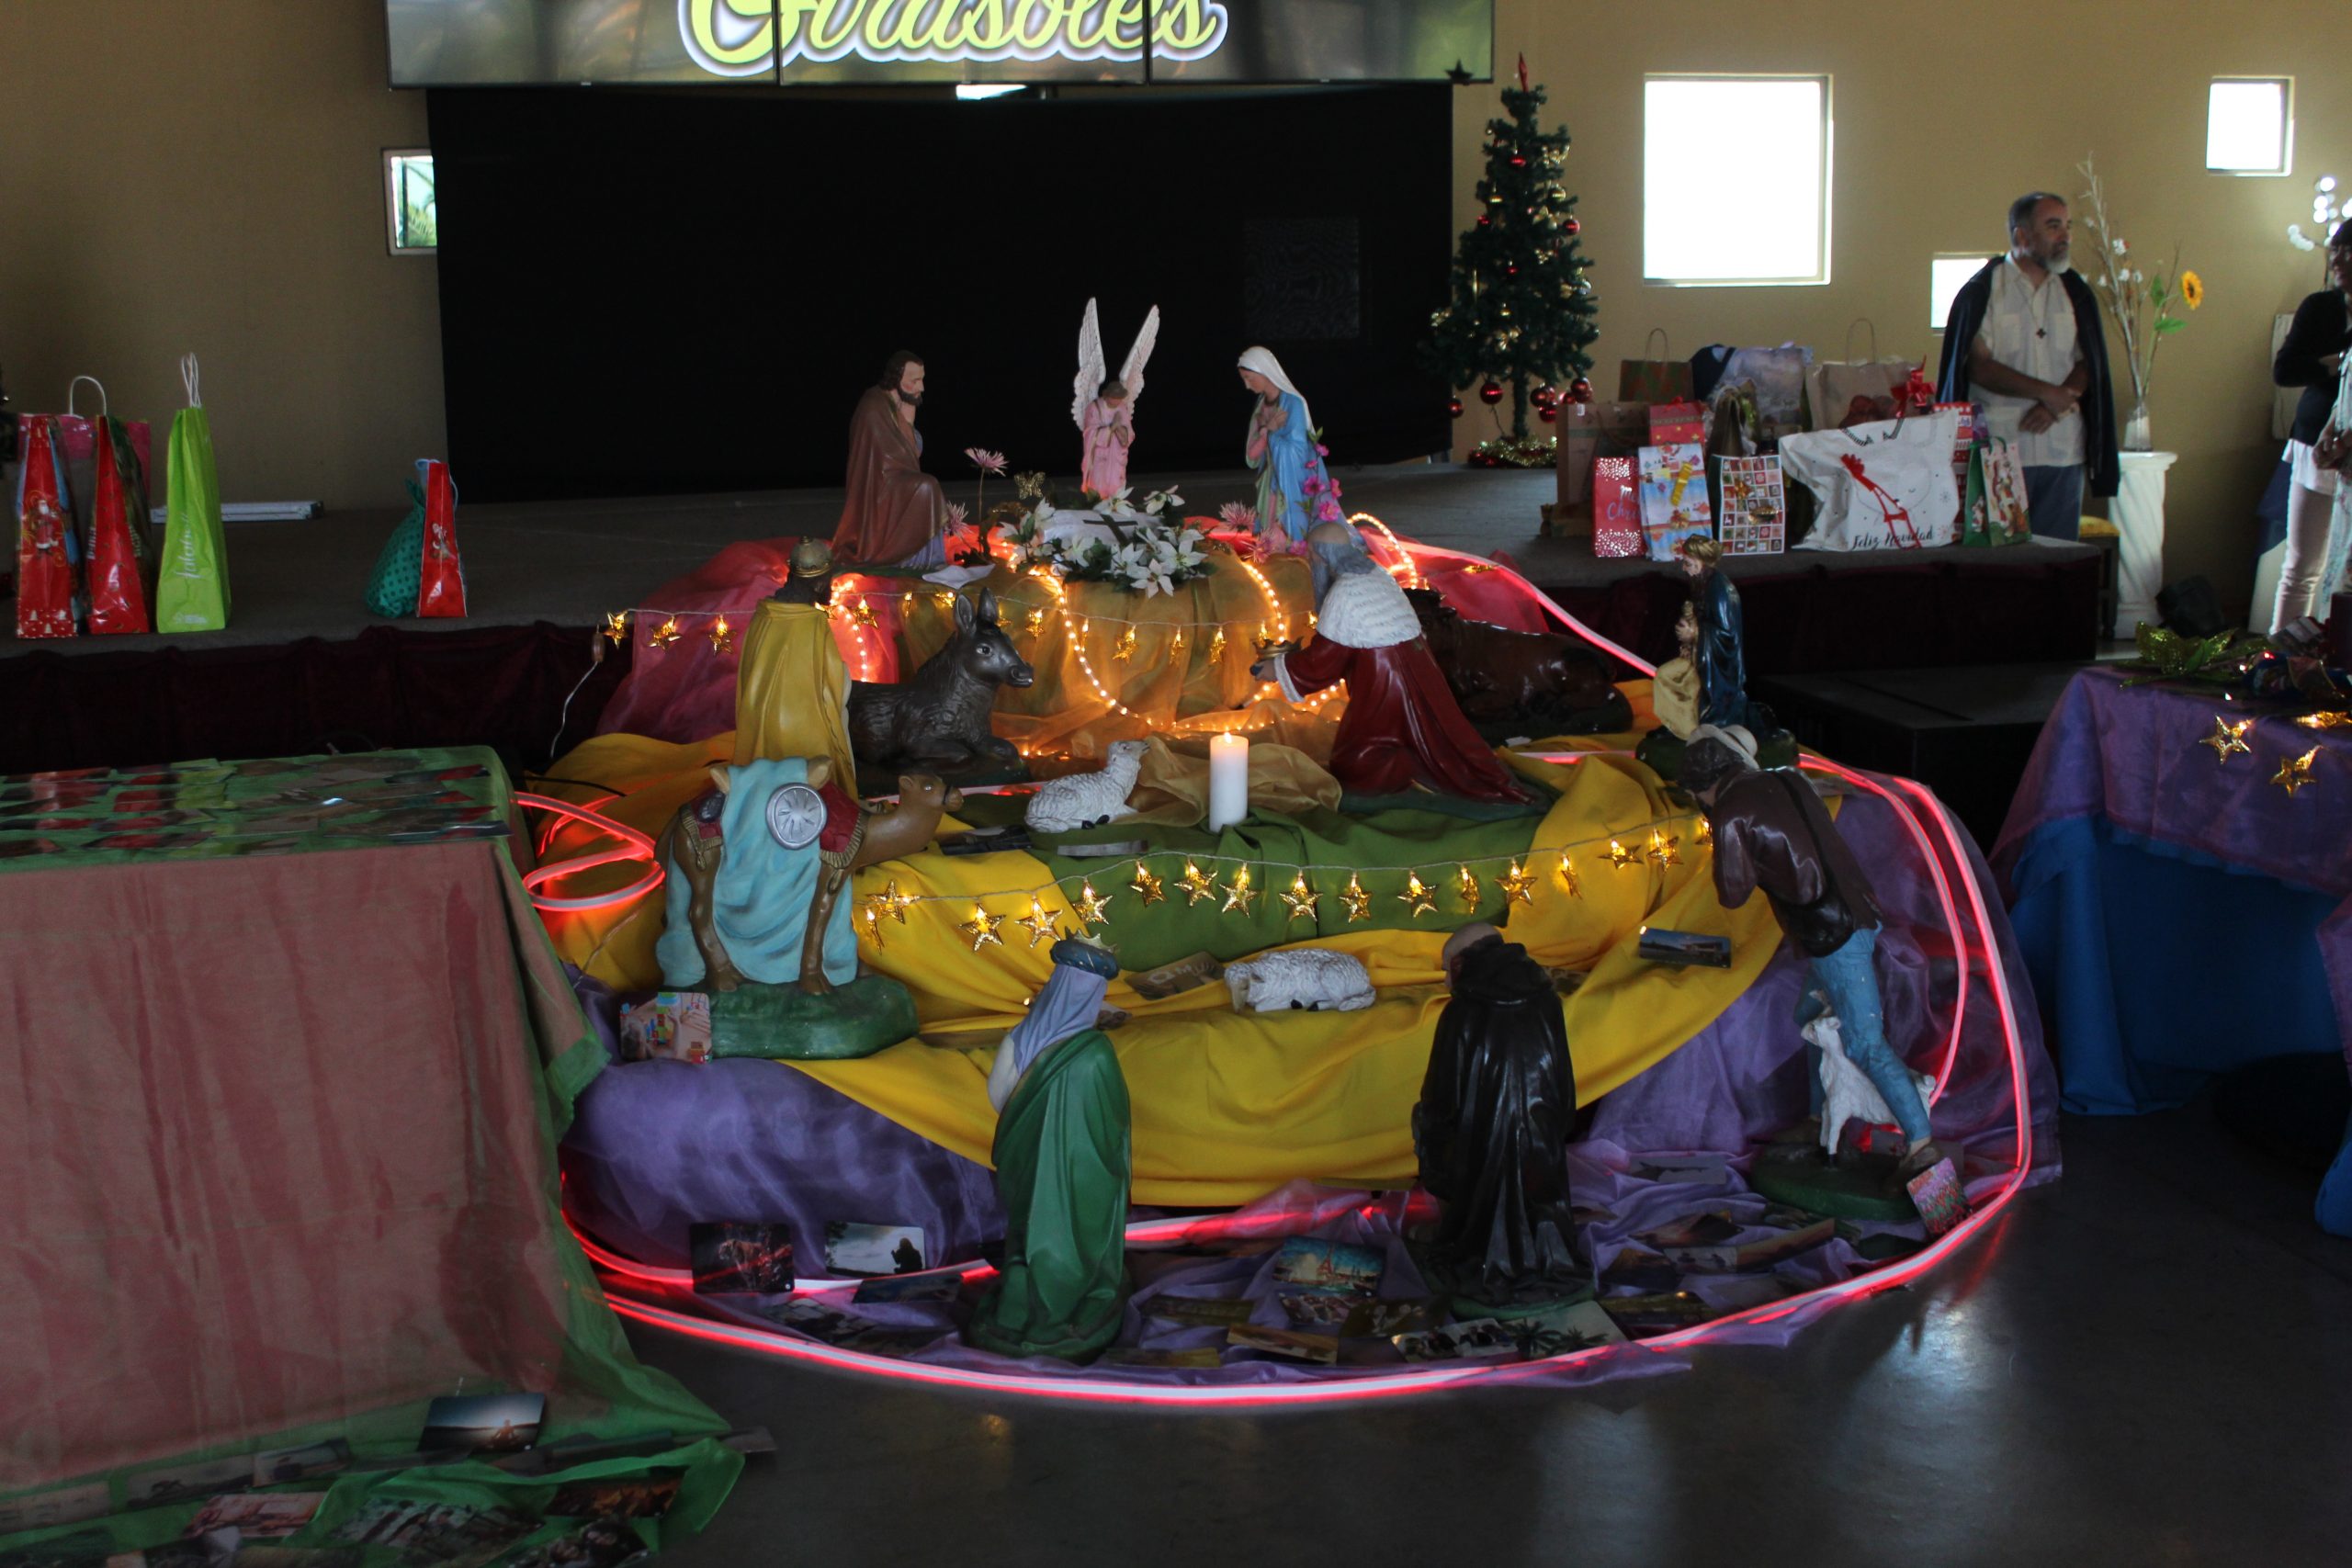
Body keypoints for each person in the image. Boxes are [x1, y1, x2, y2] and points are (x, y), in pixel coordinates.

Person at [1678, 728, 1954, 1185]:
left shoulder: (1730, 809)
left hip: (1834, 933)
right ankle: (1819, 1118)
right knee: (1809, 1015)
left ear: (1698, 786)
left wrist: (1722, 834)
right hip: (1856, 910)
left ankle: (1921, 1143)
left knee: (1865, 1042)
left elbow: (1732, 893)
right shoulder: (1787, 776)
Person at [1251, 522, 1525, 802]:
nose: (1310, 560)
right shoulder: (1377, 573)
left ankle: (1405, 773)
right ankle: (1415, 763)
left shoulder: (1344, 592)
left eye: (1311, 554)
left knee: (1359, 760)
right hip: (1416, 665)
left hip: (1385, 680)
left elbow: (1326, 658)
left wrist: (1278, 667)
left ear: (1322, 556)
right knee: (1425, 731)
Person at [967, 939, 1131, 1362]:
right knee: (1076, 1233)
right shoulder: (1096, 1054)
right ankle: (1068, 1301)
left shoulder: (1019, 1039)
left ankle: (1020, 1304)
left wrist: (1033, 1127)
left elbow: (999, 1099)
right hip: (1084, 1175)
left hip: (1023, 1158)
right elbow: (1114, 1126)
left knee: (1029, 1226)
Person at [1936, 191, 2120, 540]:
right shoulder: (1984, 290)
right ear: (2022, 236)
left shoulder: (2074, 291)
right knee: (2003, 562)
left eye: (2067, 226)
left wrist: (2056, 404)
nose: (2065, 236)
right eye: (2053, 226)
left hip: (2062, 448)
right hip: (2001, 449)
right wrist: (2048, 393)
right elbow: (1979, 367)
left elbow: (2089, 361)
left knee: (2057, 558)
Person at [1413, 923, 1582, 1293]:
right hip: (1540, 1141)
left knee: (1476, 1209)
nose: (1445, 981)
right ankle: (1543, 1256)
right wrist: (1554, 1129)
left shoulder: (1461, 1012)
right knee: (1539, 1201)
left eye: (1447, 969)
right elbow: (1562, 1082)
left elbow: (1442, 1099)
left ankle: (1473, 1252)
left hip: (1479, 1149)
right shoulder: (1547, 1001)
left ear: (1461, 964)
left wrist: (1432, 1139)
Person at [2270, 221, 2352, 631]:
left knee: (2343, 568)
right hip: (2316, 436)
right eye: (2334, 250)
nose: (2338, 260)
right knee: (2302, 564)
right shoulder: (2321, 307)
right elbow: (2284, 370)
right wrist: (2330, 366)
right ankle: (2281, 650)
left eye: (2348, 252)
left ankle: (2334, 651)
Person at [735, 538, 854, 787]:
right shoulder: (811, 623)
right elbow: (831, 686)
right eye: (829, 582)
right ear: (820, 583)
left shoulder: (764, 615)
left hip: (760, 730)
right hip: (804, 735)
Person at [830, 350, 947, 568]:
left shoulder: (899, 403)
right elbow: (883, 459)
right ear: (897, 378)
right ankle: (910, 560)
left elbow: (914, 452)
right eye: (915, 381)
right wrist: (907, 424)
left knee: (927, 485)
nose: (921, 387)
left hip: (895, 478)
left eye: (922, 379)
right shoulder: (873, 407)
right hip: (877, 486)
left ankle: (925, 560)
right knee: (926, 486)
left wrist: (909, 421)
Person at [1238, 346, 1343, 549]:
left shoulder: (1293, 403)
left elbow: (1297, 451)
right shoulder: (1261, 406)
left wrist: (1269, 435)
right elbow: (1251, 456)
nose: (1247, 385)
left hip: (1289, 482)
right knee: (1268, 535)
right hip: (1268, 480)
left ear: (1264, 371)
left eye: (1249, 378)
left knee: (1285, 534)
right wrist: (1268, 431)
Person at [1079, 379, 1136, 500]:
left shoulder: (1122, 407)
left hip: (1116, 453)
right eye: (1114, 398)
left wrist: (1119, 428)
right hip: (1100, 453)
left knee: (1115, 479)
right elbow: (1089, 432)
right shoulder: (1095, 407)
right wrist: (1110, 428)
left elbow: (1129, 432)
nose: (1117, 401)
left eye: (1119, 398)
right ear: (1107, 396)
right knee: (1098, 479)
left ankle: (1115, 501)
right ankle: (1097, 500)